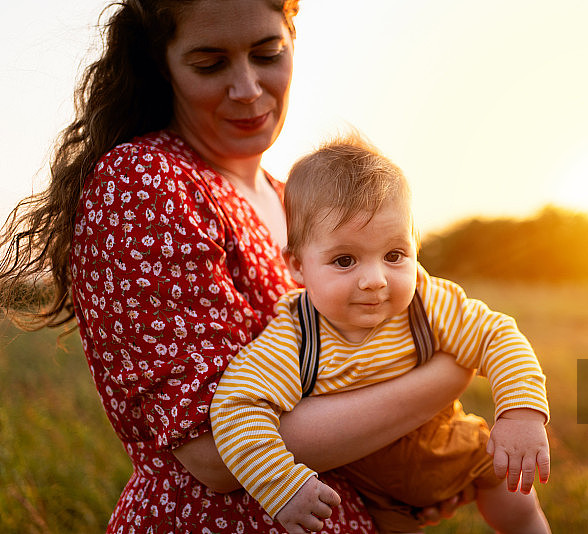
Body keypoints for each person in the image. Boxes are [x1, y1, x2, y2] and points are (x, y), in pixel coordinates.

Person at [0, 1, 479, 532]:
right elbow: (212, 452)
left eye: (268, 54)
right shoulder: (144, 184)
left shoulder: (299, 200)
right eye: (210, 64)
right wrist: (449, 373)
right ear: (162, 64)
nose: (248, 88)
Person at [211, 134, 552, 534]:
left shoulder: (426, 303)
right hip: (375, 495)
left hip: (455, 448)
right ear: (298, 266)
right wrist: (283, 485)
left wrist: (520, 413)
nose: (375, 279)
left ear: (415, 246)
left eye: (394, 255)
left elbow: (498, 336)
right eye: (345, 260)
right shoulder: (296, 337)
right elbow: (236, 407)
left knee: (517, 501)